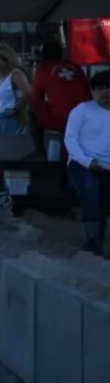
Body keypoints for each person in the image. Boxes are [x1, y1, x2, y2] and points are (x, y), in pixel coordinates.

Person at [64, 70, 110, 255]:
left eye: (108, 88)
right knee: (91, 191)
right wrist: (87, 161)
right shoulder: (82, 110)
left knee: (105, 201)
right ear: (92, 92)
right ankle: (92, 240)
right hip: (82, 163)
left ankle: (99, 239)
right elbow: (70, 138)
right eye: (99, 88)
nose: (104, 92)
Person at [30, 41, 91, 157]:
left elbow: (35, 99)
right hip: (87, 115)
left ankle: (39, 150)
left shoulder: (43, 70)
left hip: (61, 118)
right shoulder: (76, 67)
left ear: (43, 56)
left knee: (32, 111)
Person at [0, 43, 32, 135]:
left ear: (7, 60)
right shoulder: (2, 78)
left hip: (12, 118)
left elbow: (28, 90)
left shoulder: (15, 74)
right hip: (3, 118)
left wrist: (15, 110)